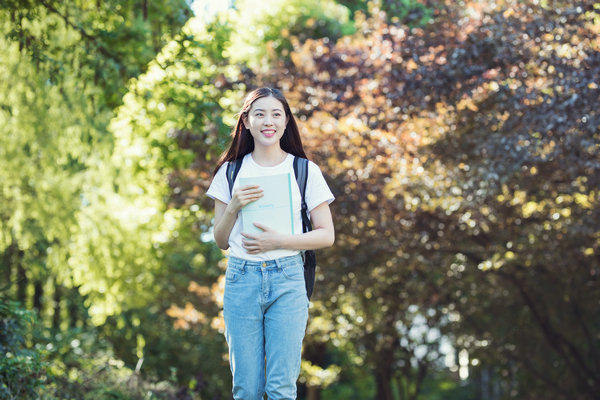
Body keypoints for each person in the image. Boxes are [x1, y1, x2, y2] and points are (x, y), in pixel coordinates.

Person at [206, 87, 335, 400]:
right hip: (241, 279)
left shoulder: (305, 170)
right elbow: (221, 240)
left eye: (276, 114)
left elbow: (326, 234)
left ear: (286, 121)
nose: (269, 121)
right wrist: (234, 205)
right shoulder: (230, 171)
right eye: (259, 113)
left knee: (281, 389)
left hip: (289, 278)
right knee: (246, 389)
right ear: (246, 122)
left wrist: (279, 241)